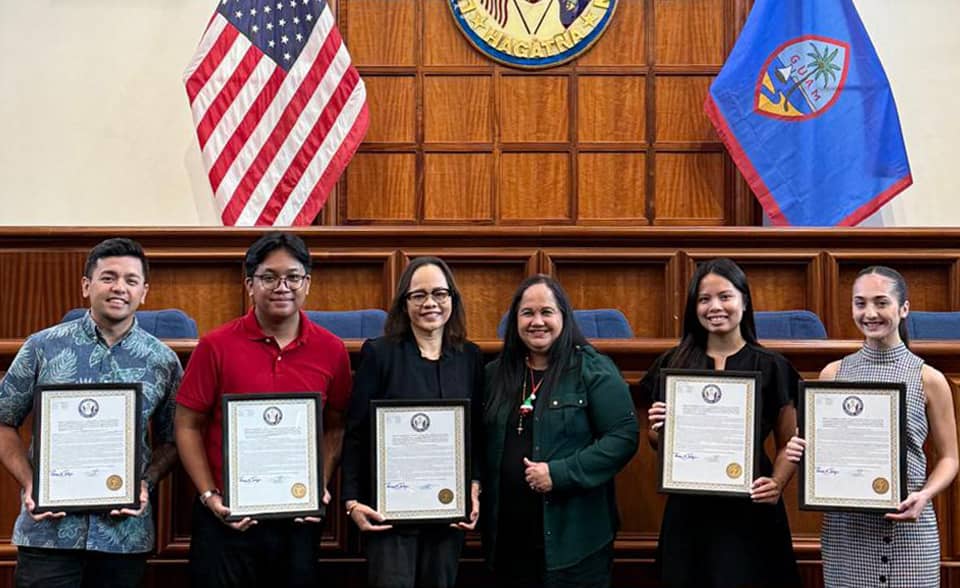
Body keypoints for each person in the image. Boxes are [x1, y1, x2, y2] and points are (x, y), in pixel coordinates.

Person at [0, 237, 183, 588]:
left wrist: (146, 482)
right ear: (86, 286)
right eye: (108, 277)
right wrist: (30, 483)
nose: (119, 288)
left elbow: (174, 439)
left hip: (123, 535)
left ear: (144, 291)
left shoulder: (162, 361)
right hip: (48, 532)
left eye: (131, 280)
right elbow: (3, 419)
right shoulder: (42, 347)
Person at [174, 231, 353, 587]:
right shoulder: (215, 345)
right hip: (226, 515)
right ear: (249, 284)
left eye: (292, 277)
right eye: (269, 277)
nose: (281, 286)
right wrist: (210, 495)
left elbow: (335, 425)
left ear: (308, 284)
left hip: (297, 517)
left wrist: (319, 479)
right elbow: (187, 425)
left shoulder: (331, 350)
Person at [786, 266, 959, 587]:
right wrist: (802, 449)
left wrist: (925, 495)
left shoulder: (929, 379)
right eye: (860, 303)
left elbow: (950, 458)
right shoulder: (832, 374)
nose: (870, 313)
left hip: (909, 526)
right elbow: (822, 452)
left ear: (903, 308)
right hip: (846, 531)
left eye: (881, 302)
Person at [641, 258, 800, 588]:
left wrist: (777, 483)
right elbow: (655, 442)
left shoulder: (772, 366)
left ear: (744, 300)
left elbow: (788, 442)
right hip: (690, 509)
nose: (715, 306)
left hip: (751, 508)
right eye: (704, 299)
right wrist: (659, 430)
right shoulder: (672, 363)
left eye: (725, 296)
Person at [482, 274, 638, 588]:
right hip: (508, 541)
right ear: (515, 321)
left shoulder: (593, 368)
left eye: (546, 312)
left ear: (563, 318)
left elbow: (623, 437)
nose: (537, 321)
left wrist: (560, 473)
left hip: (575, 542)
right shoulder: (494, 374)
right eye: (527, 313)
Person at [341, 256, 483, 588]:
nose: (430, 303)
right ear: (404, 304)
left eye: (439, 293)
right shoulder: (380, 354)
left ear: (452, 300)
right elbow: (356, 432)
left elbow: (476, 432)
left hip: (447, 511)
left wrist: (474, 487)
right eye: (418, 295)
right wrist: (351, 502)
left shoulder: (470, 357)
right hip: (389, 516)